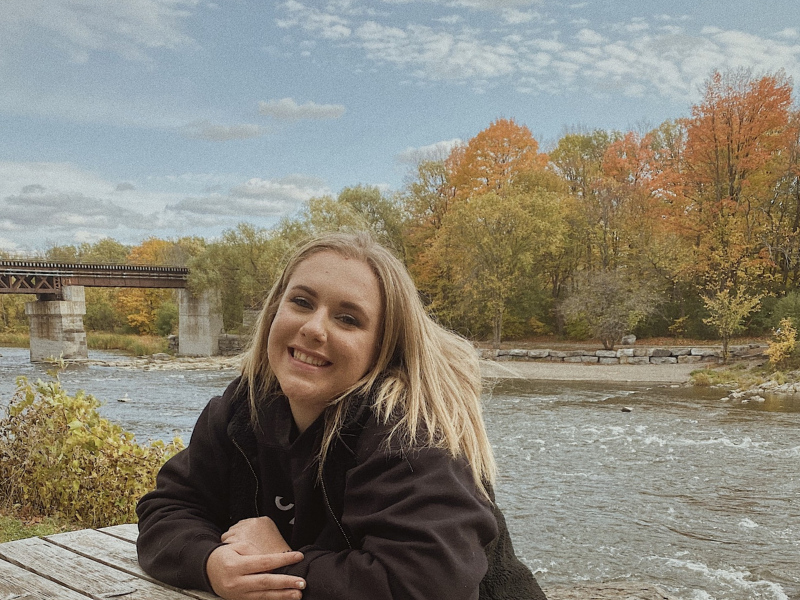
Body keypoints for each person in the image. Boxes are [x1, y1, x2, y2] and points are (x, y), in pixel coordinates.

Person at [136, 231, 546, 600]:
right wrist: (211, 565)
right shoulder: (241, 409)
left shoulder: (412, 434)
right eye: (301, 302)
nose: (315, 328)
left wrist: (281, 563)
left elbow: (431, 585)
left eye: (348, 319)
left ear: (383, 346)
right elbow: (168, 508)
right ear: (275, 311)